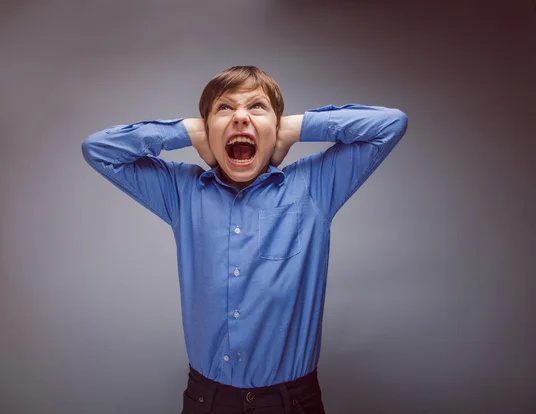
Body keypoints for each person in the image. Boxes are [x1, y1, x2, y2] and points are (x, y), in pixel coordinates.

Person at [82, 66, 408, 414]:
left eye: (257, 107)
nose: (240, 117)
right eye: (224, 108)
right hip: (207, 400)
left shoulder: (314, 187)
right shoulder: (182, 193)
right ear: (208, 130)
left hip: (292, 402)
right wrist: (187, 130)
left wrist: (295, 129)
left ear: (276, 126)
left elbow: (390, 124)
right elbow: (99, 149)